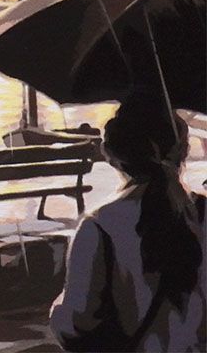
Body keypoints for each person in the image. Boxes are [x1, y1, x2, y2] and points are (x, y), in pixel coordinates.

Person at [51, 94, 206, 352]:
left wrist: (57, 308)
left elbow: (75, 324)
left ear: (114, 154)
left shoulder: (99, 226)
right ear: (184, 150)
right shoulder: (202, 213)